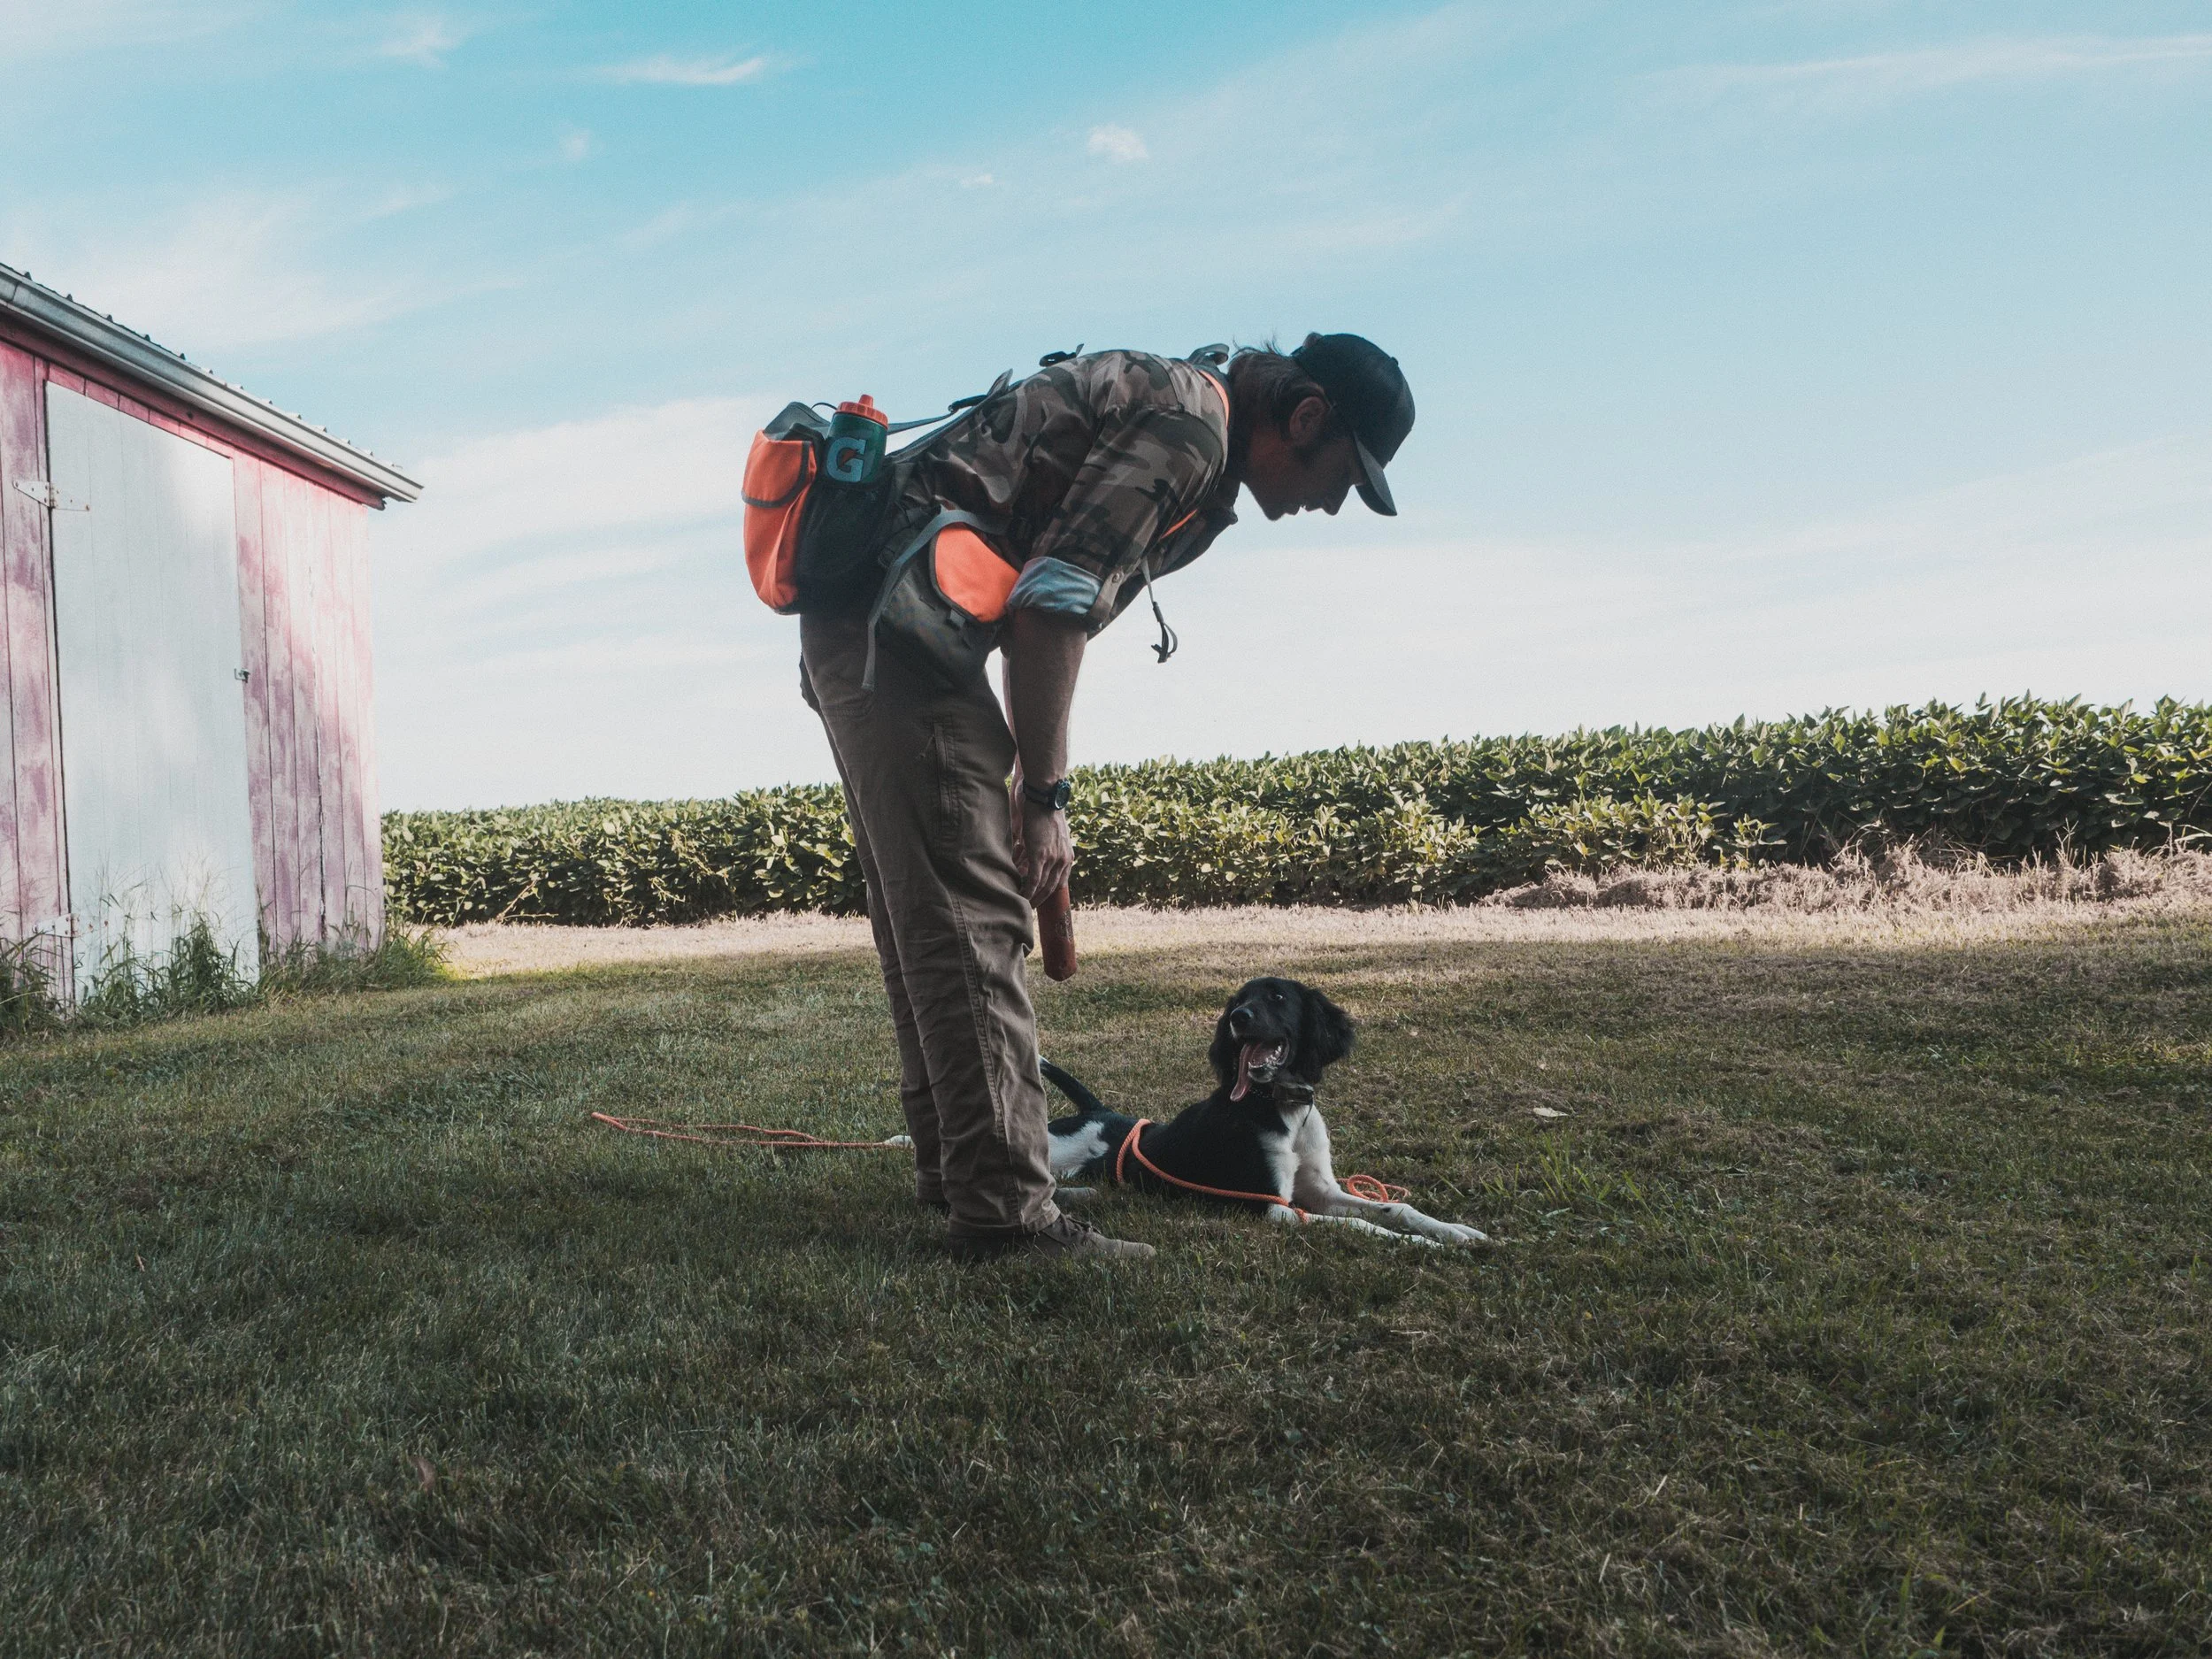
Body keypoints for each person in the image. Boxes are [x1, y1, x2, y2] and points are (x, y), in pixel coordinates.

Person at [797, 334, 1416, 1261]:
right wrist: (1042, 794)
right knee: (973, 925)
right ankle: (1006, 1217)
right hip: (896, 636)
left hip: (878, 631)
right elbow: (1052, 606)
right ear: (1307, 415)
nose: (1331, 501)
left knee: (929, 921)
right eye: (1341, 474)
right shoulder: (1189, 428)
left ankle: (954, 1171)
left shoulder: (1189, 418)